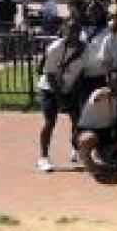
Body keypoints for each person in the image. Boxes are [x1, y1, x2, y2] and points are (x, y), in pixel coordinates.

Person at [37, 21, 87, 172]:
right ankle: (43, 157)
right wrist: (59, 98)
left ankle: (76, 148)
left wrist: (73, 92)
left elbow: (82, 72)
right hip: (50, 88)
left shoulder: (85, 48)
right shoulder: (55, 48)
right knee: (50, 122)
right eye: (70, 31)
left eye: (77, 30)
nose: (74, 34)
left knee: (78, 120)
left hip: (71, 87)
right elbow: (50, 75)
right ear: (64, 31)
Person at [76, 68, 117, 174]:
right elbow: (97, 97)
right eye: (116, 80)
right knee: (89, 138)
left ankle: (104, 152)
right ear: (107, 80)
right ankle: (85, 157)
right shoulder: (99, 92)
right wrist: (111, 91)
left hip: (106, 131)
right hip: (86, 131)